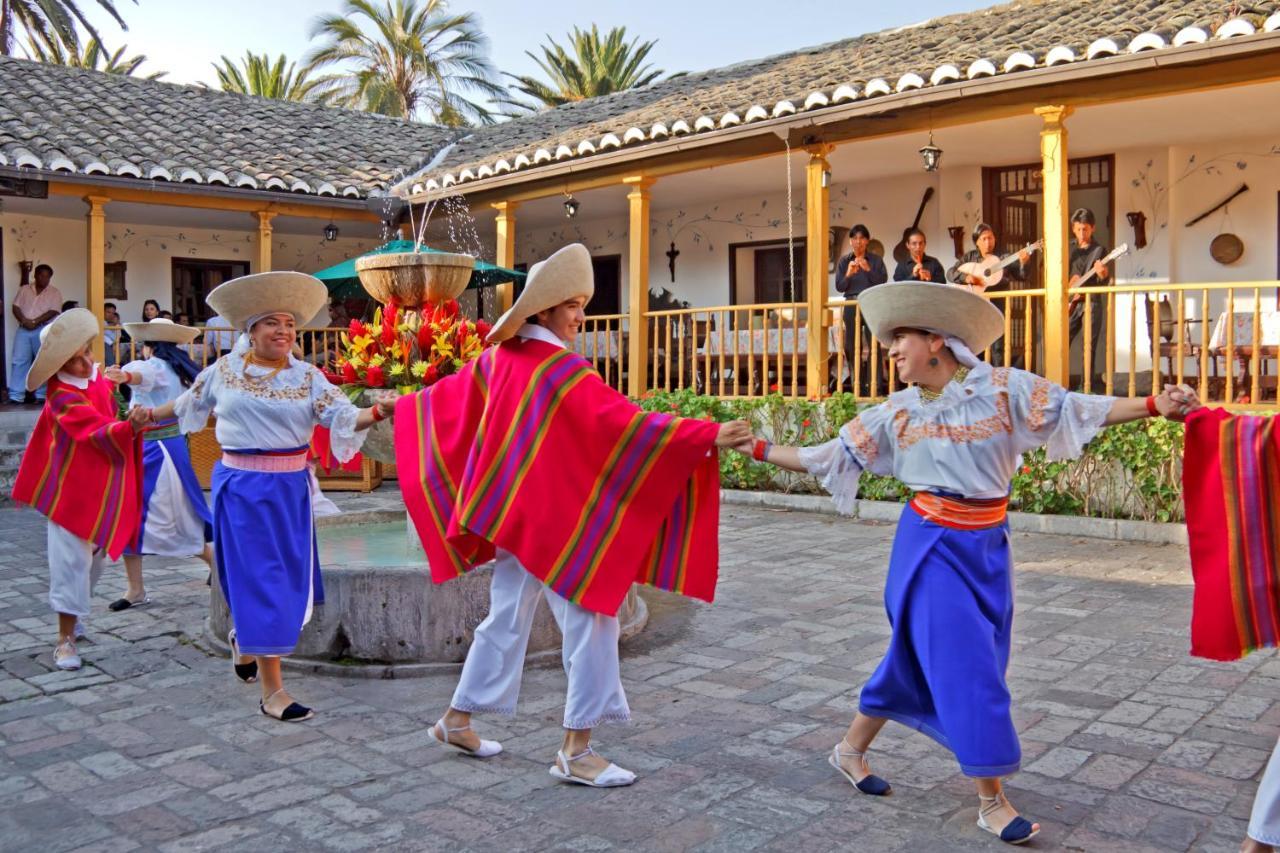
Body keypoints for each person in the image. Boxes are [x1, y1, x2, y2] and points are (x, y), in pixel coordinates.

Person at [738, 279, 1198, 845]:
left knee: (914, 658)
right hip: (928, 545)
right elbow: (820, 459)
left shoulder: (1005, 391)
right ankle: (992, 801)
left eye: (898, 337)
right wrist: (753, 448)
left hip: (987, 546)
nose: (890, 349)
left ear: (936, 340)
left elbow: (1081, 409)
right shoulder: (896, 413)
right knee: (971, 669)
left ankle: (848, 750)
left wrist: (1155, 404)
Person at [398, 244, 751, 787]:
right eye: (572, 305)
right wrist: (705, 434)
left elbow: (441, 402)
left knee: (508, 617)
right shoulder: (561, 368)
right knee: (593, 619)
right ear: (543, 312)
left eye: (583, 304)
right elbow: (624, 426)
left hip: (514, 513)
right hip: (554, 520)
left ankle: (456, 718)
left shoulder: (501, 359)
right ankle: (577, 750)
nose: (580, 316)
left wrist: (376, 411)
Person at [145, 272, 394, 720]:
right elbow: (186, 405)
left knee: (286, 581)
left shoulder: (308, 376)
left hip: (290, 491)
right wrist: (144, 414)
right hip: (241, 489)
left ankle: (245, 641)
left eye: (289, 324)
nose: (283, 331)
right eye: (271, 323)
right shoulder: (224, 372)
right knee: (261, 580)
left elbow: (341, 416)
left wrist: (377, 410)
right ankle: (273, 691)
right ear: (251, 331)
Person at [10, 309, 147, 670]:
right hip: (70, 491)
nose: (87, 362)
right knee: (70, 563)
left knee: (94, 561)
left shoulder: (93, 380)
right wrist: (128, 428)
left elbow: (105, 405)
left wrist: (116, 389)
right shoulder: (60, 396)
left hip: (101, 485)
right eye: (75, 360)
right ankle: (64, 639)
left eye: (86, 352)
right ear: (59, 364)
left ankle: (75, 618)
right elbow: (92, 429)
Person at [104, 318, 216, 613]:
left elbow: (140, 375)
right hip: (155, 446)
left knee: (167, 515)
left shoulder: (155, 367)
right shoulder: (176, 368)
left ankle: (215, 564)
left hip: (159, 450)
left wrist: (121, 375)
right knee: (157, 515)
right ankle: (136, 588)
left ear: (147, 347)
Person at [948, 223, 1032, 367]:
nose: (988, 242)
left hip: (997, 304)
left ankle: (997, 379)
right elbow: (950, 273)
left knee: (998, 344)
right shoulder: (970, 257)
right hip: (975, 306)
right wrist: (965, 278)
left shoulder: (1003, 256)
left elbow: (1021, 276)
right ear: (977, 242)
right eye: (984, 239)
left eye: (991, 238)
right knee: (975, 342)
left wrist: (1024, 263)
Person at [834, 225, 888, 393]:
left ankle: (875, 386)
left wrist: (867, 269)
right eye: (855, 238)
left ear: (867, 240)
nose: (858, 242)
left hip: (871, 303)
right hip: (851, 304)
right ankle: (857, 385)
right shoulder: (844, 261)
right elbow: (839, 287)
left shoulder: (876, 260)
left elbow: (882, 282)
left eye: (862, 238)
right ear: (850, 241)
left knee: (873, 345)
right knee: (851, 346)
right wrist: (849, 274)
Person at [1065, 208, 1112, 393]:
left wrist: (1103, 273)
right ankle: (1060, 382)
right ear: (1073, 229)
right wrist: (1069, 283)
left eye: (1085, 229)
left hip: (1091, 302)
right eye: (1078, 229)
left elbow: (1104, 279)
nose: (1081, 234)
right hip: (1071, 302)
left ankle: (1086, 386)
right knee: (1062, 339)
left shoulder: (1099, 250)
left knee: (1088, 345)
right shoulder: (1068, 249)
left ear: (1093, 228)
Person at [8, 263, 63, 403]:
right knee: (19, 361)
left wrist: (35, 322)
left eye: (47, 277)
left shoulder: (54, 292)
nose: (44, 279)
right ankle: (16, 395)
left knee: (41, 362)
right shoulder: (24, 289)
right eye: (41, 275)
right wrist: (24, 321)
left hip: (42, 329)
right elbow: (15, 307)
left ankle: (41, 395)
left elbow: (54, 311)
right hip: (23, 329)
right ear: (35, 275)